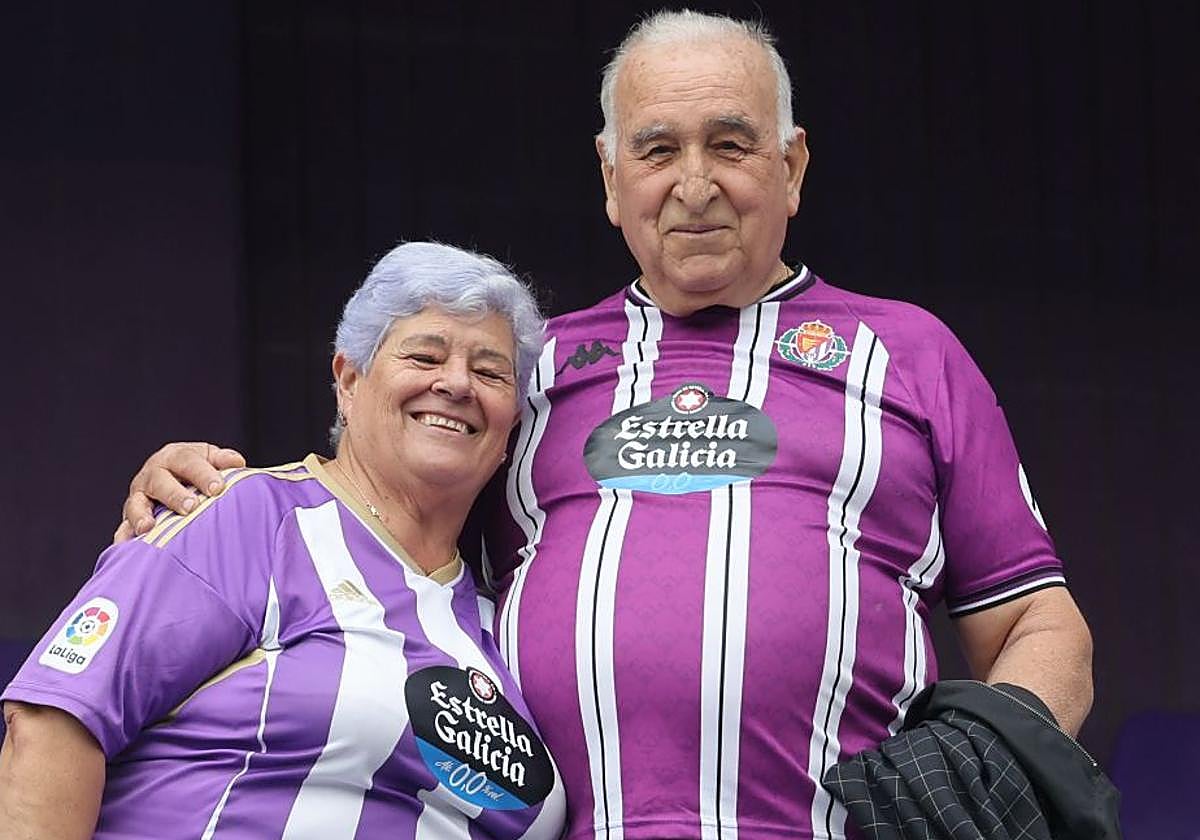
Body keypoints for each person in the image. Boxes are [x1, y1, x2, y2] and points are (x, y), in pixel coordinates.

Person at [111, 11, 1095, 840]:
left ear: (791, 167)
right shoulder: (526, 370)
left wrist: (1000, 741)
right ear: (610, 176)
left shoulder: (911, 355)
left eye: (731, 143)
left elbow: (1039, 620)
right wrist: (205, 491)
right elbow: (375, 510)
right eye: (657, 149)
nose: (695, 183)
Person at [0, 242, 566, 839]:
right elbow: (52, 725)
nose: (455, 383)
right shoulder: (245, 518)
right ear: (349, 382)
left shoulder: (507, 618)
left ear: (511, 426)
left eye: (489, 371)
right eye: (424, 356)